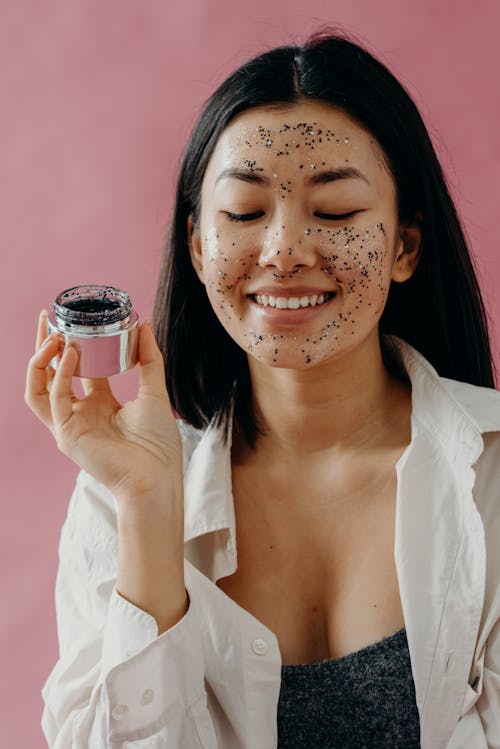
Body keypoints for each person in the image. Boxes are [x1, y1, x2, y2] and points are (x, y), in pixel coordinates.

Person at [25, 30, 499, 749]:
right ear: (196, 245)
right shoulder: (114, 502)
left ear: (404, 246)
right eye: (244, 214)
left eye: (335, 211)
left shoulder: (491, 479)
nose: (283, 250)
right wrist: (151, 511)